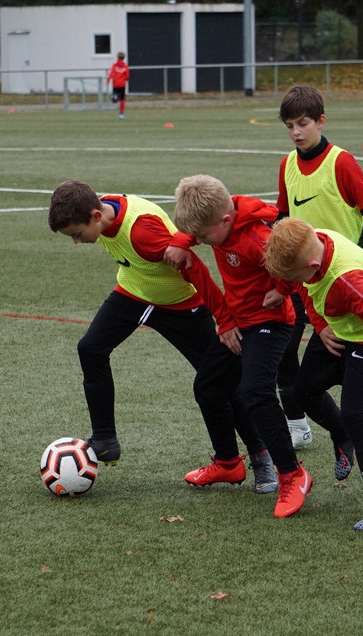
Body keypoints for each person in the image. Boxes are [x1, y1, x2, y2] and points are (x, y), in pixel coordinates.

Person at [47, 179, 277, 493]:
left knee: (222, 381)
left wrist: (224, 320)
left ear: (95, 216)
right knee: (90, 348)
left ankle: (260, 456)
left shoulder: (143, 233)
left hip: (180, 305)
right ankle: (105, 439)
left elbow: (194, 267)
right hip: (133, 292)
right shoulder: (102, 208)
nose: (76, 241)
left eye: (76, 233)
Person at [170, 174, 320, 518]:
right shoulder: (218, 220)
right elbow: (195, 231)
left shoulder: (257, 239)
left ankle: (292, 474)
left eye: (203, 236)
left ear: (225, 221)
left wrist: (282, 290)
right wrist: (181, 239)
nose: (200, 241)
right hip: (240, 322)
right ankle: (228, 462)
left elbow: (301, 270)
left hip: (271, 323)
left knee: (255, 392)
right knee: (207, 385)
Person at [264, 217, 363, 530]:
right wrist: (315, 320)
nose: (293, 283)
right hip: (336, 331)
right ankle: (341, 435)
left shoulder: (348, 282)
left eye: (293, 276)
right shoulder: (310, 240)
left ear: (313, 265)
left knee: (355, 414)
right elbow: (303, 284)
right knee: (303, 392)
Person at [276, 84, 363, 457]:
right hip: (303, 280)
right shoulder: (287, 165)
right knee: (284, 350)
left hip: (340, 278)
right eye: (290, 126)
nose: (296, 132)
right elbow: (282, 216)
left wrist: (359, 254)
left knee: (358, 351)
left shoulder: (340, 162)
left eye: (303, 123)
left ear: (321, 121)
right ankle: (298, 426)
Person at [106, 52, 130, 119]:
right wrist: (124, 79)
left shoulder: (114, 65)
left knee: (115, 99)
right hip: (122, 84)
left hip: (115, 84)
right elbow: (127, 76)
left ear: (117, 57)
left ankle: (116, 98)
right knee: (122, 99)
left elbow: (111, 73)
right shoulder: (125, 66)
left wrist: (108, 80)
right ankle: (121, 114)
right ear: (123, 58)